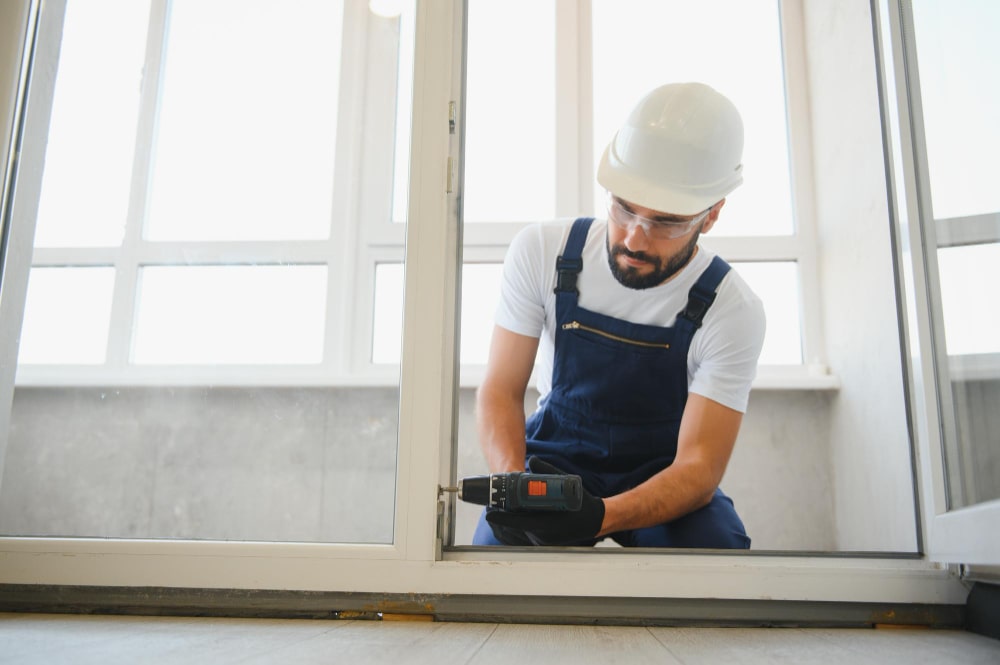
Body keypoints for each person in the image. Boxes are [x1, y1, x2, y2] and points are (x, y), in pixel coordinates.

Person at [472, 82, 766, 549]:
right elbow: (500, 392)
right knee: (498, 551)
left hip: (663, 471)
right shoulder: (544, 252)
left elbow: (699, 468)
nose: (634, 238)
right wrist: (515, 488)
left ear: (711, 216)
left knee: (717, 553)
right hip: (555, 458)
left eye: (665, 222)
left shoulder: (732, 309)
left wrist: (599, 518)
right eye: (624, 208)